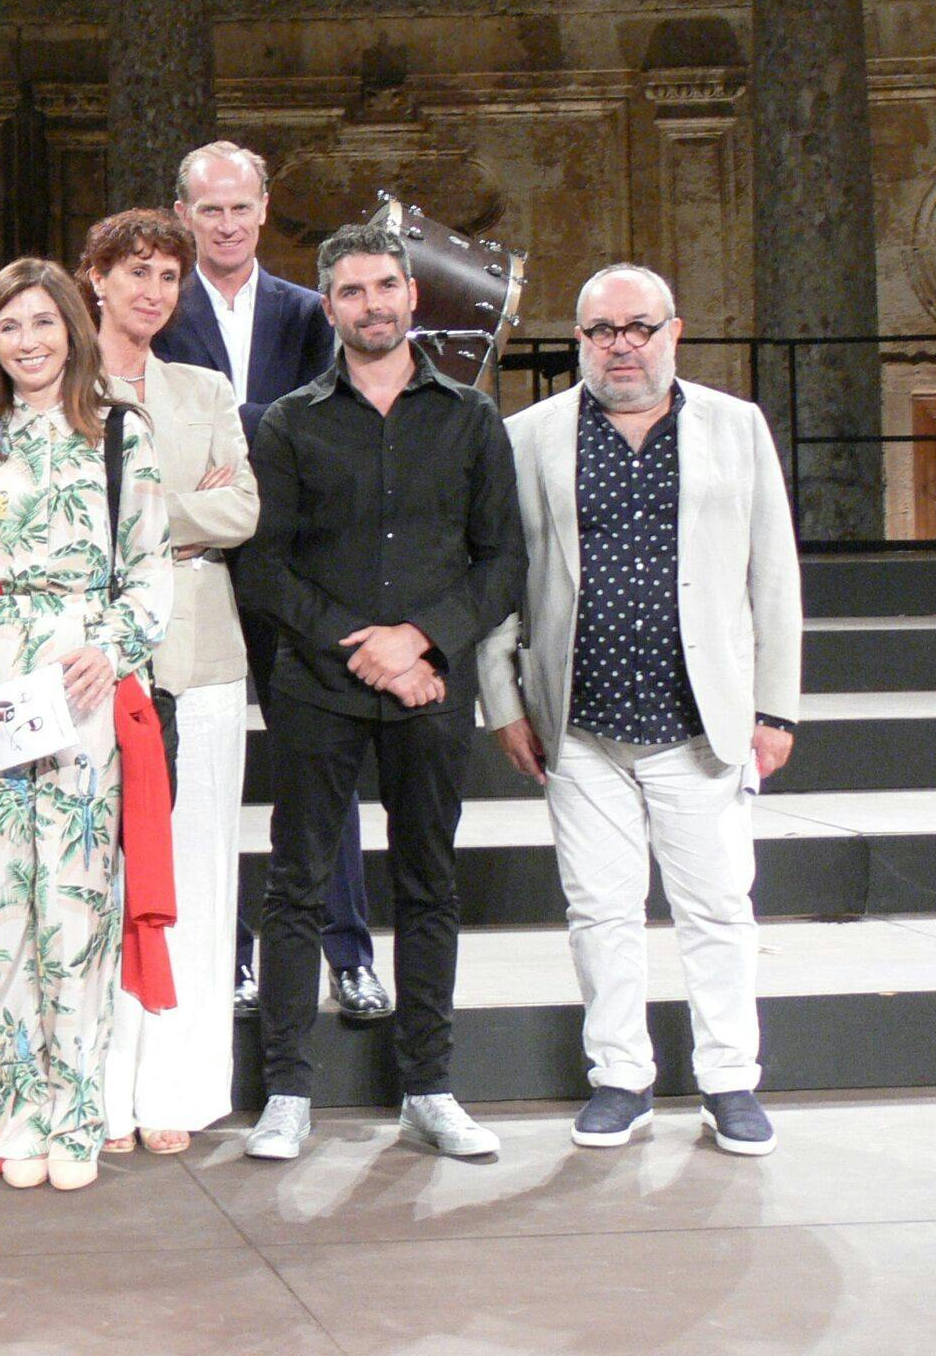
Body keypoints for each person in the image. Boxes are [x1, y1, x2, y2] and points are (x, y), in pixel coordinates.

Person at [478, 264, 801, 1158]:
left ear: (674, 332)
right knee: (600, 911)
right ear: (580, 340)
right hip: (576, 724)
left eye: (639, 327)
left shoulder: (735, 428)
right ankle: (620, 1078)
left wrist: (776, 709)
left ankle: (731, 1081)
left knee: (717, 910)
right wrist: (502, 700)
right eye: (602, 330)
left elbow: (774, 574)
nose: (622, 344)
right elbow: (500, 580)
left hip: (701, 723)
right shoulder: (529, 436)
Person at [241, 222, 525, 1165]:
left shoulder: (470, 417)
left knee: (428, 883)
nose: (374, 304)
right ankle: (286, 1092)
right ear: (329, 308)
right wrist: (357, 645)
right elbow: (265, 568)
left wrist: (420, 641)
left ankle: (430, 1089)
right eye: (353, 291)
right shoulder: (288, 421)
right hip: (318, 687)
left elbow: (502, 563)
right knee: (296, 886)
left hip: (431, 687)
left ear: (413, 297)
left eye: (387, 287)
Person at [0, 258, 174, 1192]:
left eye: (42, 323)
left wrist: (110, 646)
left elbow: (150, 570)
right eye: (8, 327)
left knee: (77, 908)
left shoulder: (120, 439)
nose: (27, 342)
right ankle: (16, 1121)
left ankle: (78, 1119)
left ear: (71, 327)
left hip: (80, 683)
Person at [155, 140, 388, 1027]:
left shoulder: (308, 311)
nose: (226, 223)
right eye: (208, 209)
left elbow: (332, 420)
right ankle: (230, 959)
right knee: (201, 776)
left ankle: (349, 954)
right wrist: (268, 434)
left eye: (240, 206)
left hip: (296, 566)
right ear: (184, 217)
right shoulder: (158, 309)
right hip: (197, 572)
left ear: (263, 209)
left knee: (320, 769)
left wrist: (235, 433)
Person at [81, 210, 259, 1157]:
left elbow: (241, 508)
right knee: (105, 875)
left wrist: (138, 516)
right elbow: (50, 516)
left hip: (202, 648)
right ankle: (102, 1091)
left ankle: (177, 1089)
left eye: (167, 276)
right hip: (93, 657)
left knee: (194, 870)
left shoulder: (203, 388)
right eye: (134, 272)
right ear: (95, 279)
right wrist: (172, 517)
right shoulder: (56, 381)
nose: (152, 291)